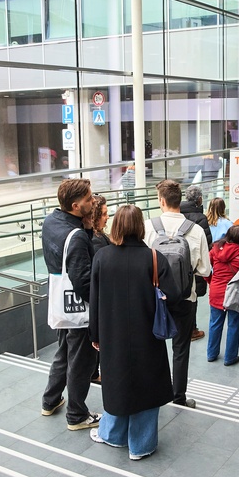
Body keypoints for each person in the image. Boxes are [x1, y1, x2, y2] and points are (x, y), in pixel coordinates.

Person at [88, 205, 178, 460]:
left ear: (116, 226)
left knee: (116, 383)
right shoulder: (154, 257)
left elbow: (94, 300)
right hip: (147, 334)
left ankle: (113, 435)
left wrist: (95, 334)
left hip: (112, 334)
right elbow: (173, 295)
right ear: (140, 226)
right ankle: (141, 446)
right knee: (147, 385)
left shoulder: (102, 257)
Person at [40, 179, 101, 430]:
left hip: (59, 303)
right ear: (75, 206)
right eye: (88, 199)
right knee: (81, 362)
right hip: (78, 311)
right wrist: (98, 307)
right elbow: (82, 281)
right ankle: (76, 415)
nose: (93, 201)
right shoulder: (76, 236)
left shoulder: (50, 221)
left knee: (64, 352)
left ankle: (50, 400)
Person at [144, 180, 211, 409]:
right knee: (181, 349)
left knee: (153, 346)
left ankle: (154, 392)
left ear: (161, 201)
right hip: (185, 299)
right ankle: (178, 396)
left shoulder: (148, 227)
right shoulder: (196, 230)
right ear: (179, 200)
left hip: (155, 299)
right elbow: (205, 270)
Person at [205, 225, 239, 366]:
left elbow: (205, 269)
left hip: (216, 292)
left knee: (214, 324)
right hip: (235, 294)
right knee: (234, 325)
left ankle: (211, 354)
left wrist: (211, 281)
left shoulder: (215, 249)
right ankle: (230, 357)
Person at [179, 186, 212, 341]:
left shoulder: (177, 213)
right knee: (192, 298)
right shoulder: (200, 218)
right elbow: (207, 243)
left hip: (176, 262)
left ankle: (179, 328)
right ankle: (192, 330)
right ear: (199, 199)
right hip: (193, 264)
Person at [88, 194, 109, 384]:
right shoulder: (97, 241)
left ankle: (94, 372)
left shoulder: (99, 236)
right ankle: (94, 373)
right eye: (103, 214)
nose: (107, 217)